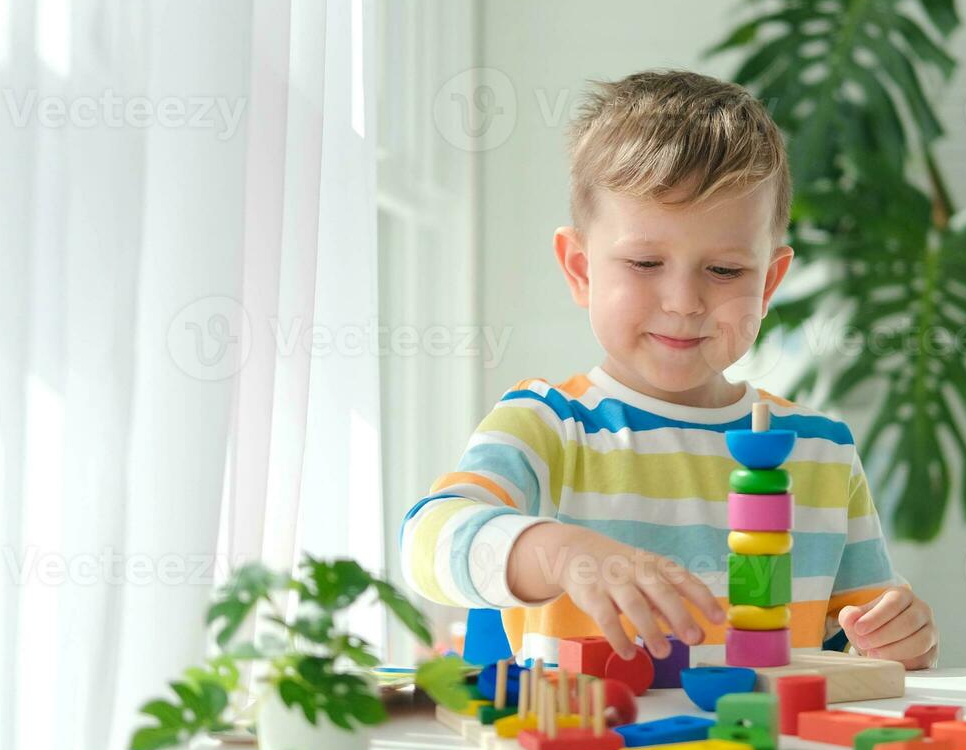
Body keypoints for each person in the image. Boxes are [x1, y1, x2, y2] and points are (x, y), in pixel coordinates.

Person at [400, 69, 937, 670]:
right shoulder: (548, 426)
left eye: (726, 271)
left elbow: (854, 646)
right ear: (580, 269)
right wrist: (556, 552)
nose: (684, 301)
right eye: (646, 261)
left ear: (769, 283)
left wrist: (896, 638)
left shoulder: (820, 453)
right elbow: (428, 543)